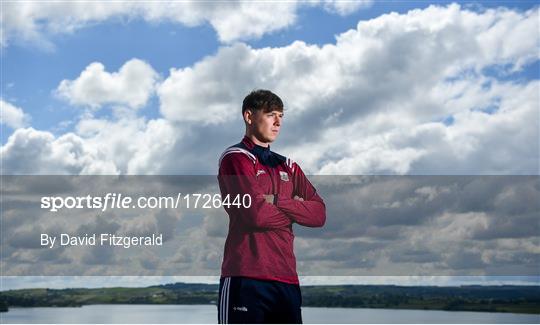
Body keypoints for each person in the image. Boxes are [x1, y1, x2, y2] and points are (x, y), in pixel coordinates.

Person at [217, 89, 326, 324]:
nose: (277, 122)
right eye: (270, 115)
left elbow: (319, 214)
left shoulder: (288, 166)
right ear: (249, 116)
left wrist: (276, 201)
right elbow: (255, 215)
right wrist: (296, 212)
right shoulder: (236, 158)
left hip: (286, 280)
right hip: (245, 277)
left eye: (281, 116)